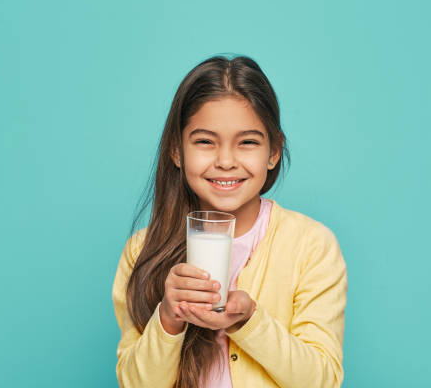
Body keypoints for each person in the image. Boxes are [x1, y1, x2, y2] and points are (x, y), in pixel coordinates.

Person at [112, 55, 348, 388]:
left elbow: (321, 380)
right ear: (176, 150)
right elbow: (135, 384)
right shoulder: (143, 250)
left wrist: (249, 322)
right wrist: (168, 317)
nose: (225, 161)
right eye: (205, 142)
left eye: (248, 142)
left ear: (274, 151)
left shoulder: (311, 246)